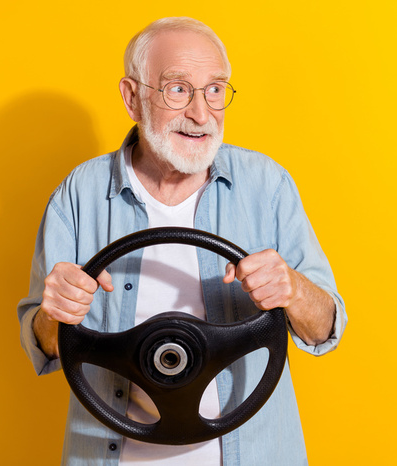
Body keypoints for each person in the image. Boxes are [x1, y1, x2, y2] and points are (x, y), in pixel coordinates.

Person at [18, 16, 347, 466]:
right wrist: (53, 313)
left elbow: (327, 327)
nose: (201, 113)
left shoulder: (266, 185)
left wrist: (291, 287)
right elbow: (44, 344)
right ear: (132, 98)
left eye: (215, 90)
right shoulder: (79, 194)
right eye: (177, 89)